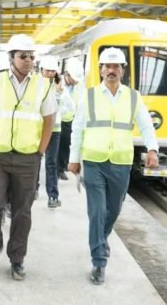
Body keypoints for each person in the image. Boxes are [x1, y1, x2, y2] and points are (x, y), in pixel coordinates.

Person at [68, 47, 159, 285]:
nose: (111, 70)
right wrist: (74, 158)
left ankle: (102, 238)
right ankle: (99, 261)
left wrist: (152, 149)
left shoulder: (132, 97)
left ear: (122, 71)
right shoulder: (88, 96)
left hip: (120, 162)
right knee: (97, 211)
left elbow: (146, 125)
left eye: (116, 66)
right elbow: (78, 128)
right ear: (100, 70)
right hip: (94, 161)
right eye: (107, 66)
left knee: (114, 210)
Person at [0, 34, 55, 281]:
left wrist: (40, 152)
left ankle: (17, 258)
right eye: (23, 56)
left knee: (22, 211)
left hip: (27, 158)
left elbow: (49, 120)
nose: (28, 60)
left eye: (31, 56)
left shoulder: (43, 85)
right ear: (12, 59)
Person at [39, 56, 74, 209]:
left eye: (53, 71)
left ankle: (53, 196)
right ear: (41, 70)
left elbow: (68, 107)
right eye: (47, 70)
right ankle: (32, 190)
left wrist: (59, 94)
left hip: (54, 130)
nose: (50, 73)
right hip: (37, 129)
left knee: (51, 163)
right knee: (34, 161)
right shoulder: (34, 86)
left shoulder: (61, 88)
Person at [58, 59, 85, 181]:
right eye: (73, 79)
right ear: (67, 74)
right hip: (58, 121)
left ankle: (62, 167)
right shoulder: (57, 83)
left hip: (71, 121)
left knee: (66, 147)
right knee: (57, 149)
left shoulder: (79, 86)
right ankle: (58, 170)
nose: (75, 82)